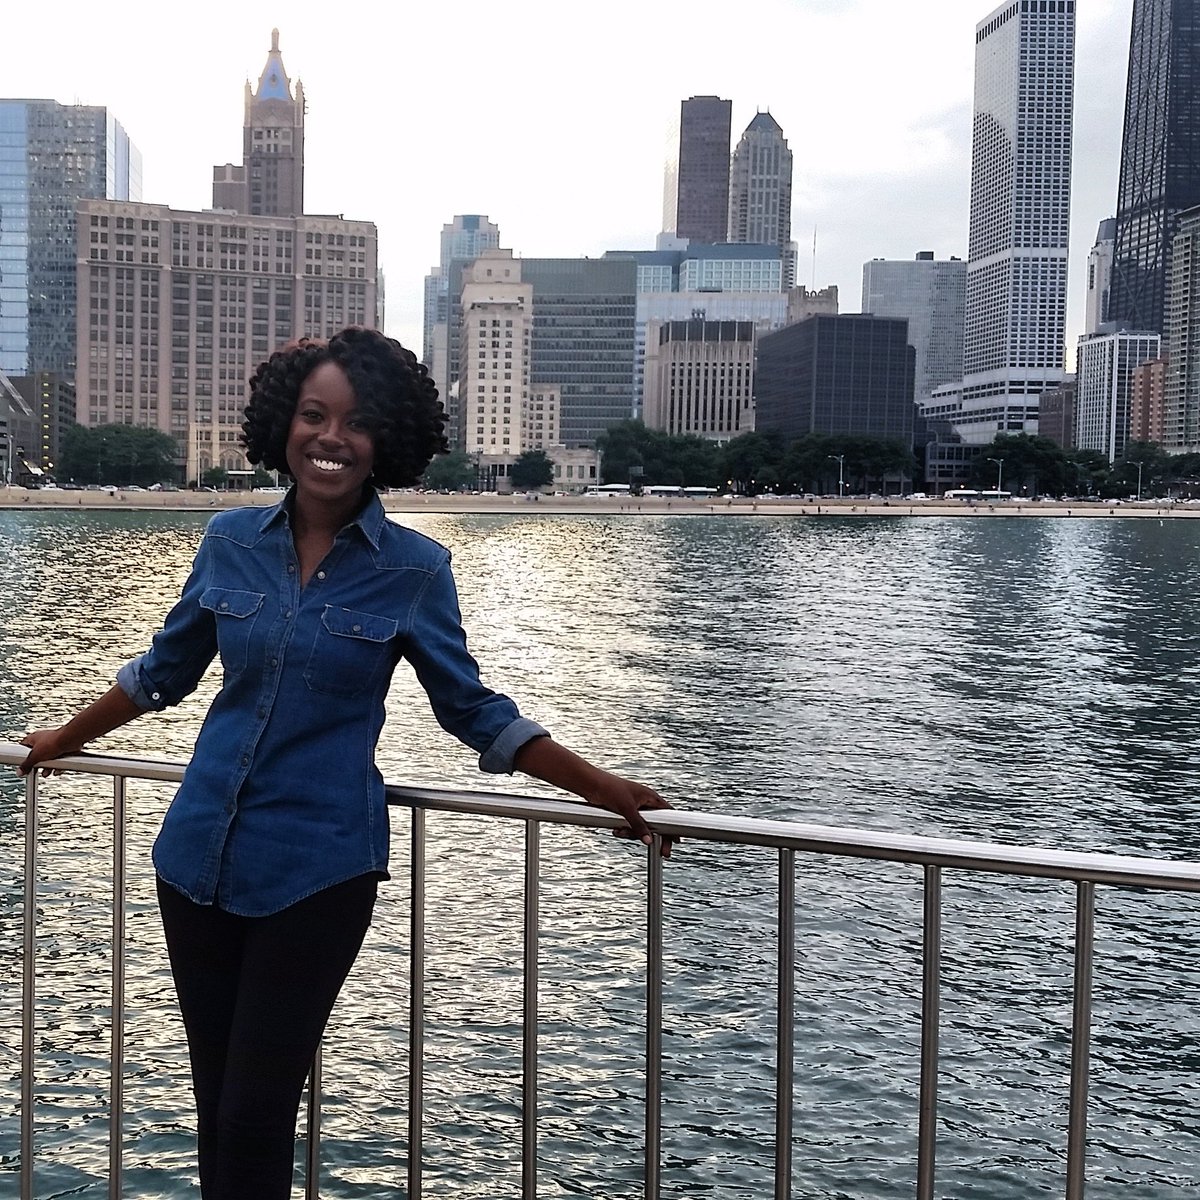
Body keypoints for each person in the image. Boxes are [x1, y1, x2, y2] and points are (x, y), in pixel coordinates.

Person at [18, 327, 672, 1199]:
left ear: (386, 441)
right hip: (195, 859)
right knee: (217, 1106)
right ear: (282, 424)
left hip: (317, 872)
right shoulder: (228, 540)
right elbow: (161, 673)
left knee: (255, 1115)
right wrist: (62, 740)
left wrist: (605, 788)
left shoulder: (414, 569)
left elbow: (472, 710)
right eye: (313, 415)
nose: (331, 438)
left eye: (357, 423)